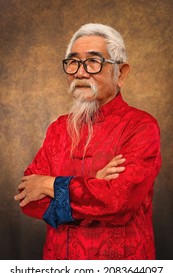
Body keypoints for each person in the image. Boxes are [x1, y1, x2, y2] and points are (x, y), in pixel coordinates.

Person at [14, 23, 161, 260]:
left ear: (121, 73)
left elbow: (118, 202)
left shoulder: (141, 126)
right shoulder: (58, 128)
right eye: (73, 62)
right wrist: (93, 186)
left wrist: (49, 185)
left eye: (93, 62)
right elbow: (27, 199)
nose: (80, 72)